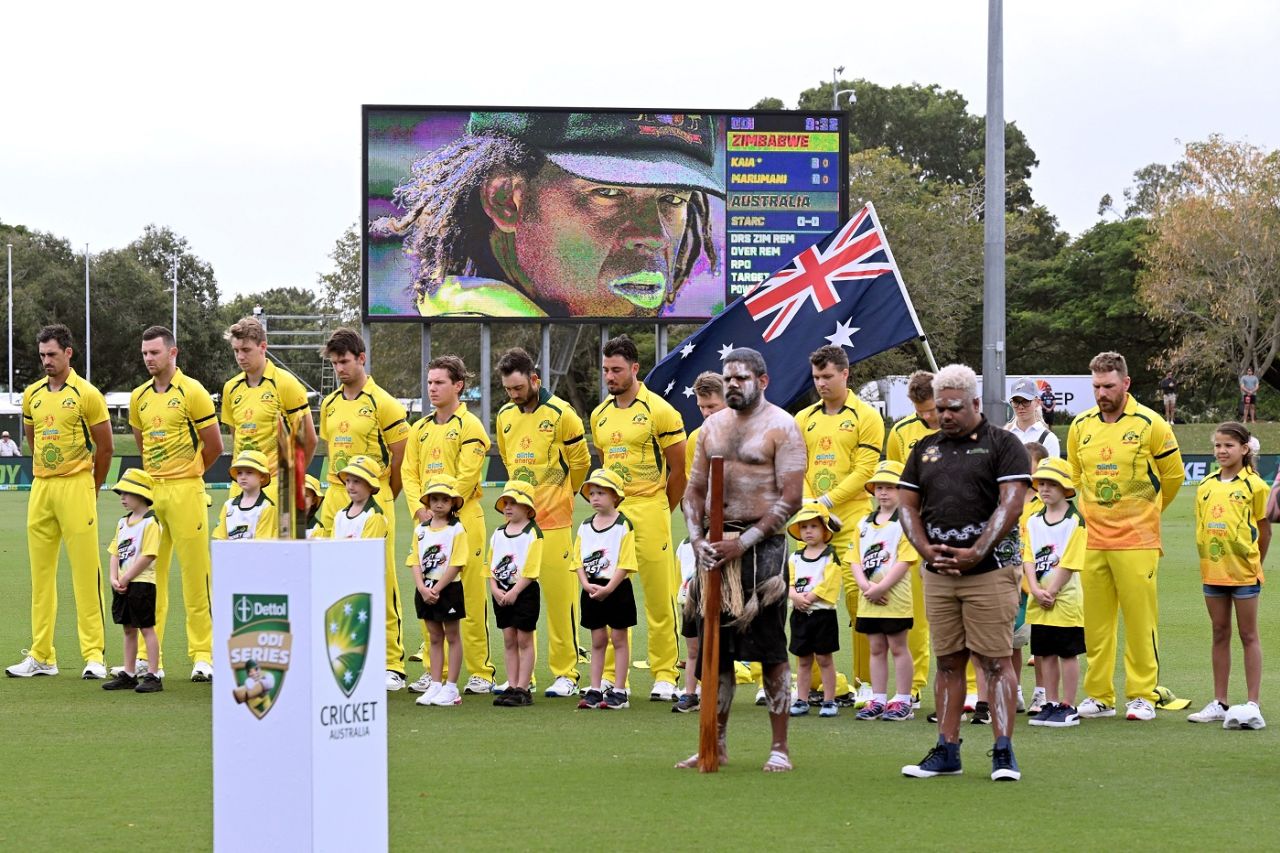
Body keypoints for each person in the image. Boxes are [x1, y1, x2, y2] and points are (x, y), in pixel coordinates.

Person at [369, 111, 725, 319]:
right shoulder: (466, 329)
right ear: (505, 201)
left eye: (673, 199)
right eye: (608, 193)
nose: (655, 235)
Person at [898, 364, 1030, 783]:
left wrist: (976, 551)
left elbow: (1011, 504)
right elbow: (906, 505)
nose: (945, 416)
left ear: (976, 403)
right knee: (948, 661)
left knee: (994, 661)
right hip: (938, 573)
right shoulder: (923, 449)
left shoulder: (1004, 444)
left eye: (954, 408)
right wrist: (923, 548)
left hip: (990, 571)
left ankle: (1003, 751)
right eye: (939, 409)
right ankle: (947, 749)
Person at [678, 347, 806, 773]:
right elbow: (694, 491)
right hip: (714, 548)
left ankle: (779, 748)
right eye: (727, 378)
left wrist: (745, 540)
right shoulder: (711, 428)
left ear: (762, 381)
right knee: (716, 648)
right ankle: (714, 744)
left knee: (770, 650)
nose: (733, 385)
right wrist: (697, 539)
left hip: (762, 548)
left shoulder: (782, 427)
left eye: (741, 378)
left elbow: (791, 498)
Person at [1068, 351, 1184, 721]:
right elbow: (1073, 476)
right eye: (1097, 386)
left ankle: (1142, 695)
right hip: (1093, 541)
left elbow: (1174, 477)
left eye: (1109, 386)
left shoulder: (1151, 424)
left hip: (1137, 541)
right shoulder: (1081, 425)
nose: (1102, 393)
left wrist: (1148, 513)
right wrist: (1084, 516)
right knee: (1096, 625)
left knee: (1139, 622)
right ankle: (1099, 695)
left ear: (1126, 384)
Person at [7, 325, 113, 680]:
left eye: (52, 354)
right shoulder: (32, 394)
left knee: (85, 573)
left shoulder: (87, 394)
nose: (46, 361)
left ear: (69, 352)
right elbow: (32, 438)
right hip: (42, 489)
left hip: (77, 486)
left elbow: (106, 447)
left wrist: (92, 487)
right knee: (41, 576)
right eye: (42, 356)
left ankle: (94, 655)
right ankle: (42, 656)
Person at [590, 334, 687, 701]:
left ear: (634, 368)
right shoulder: (599, 414)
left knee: (659, 597)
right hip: (612, 516)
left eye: (616, 370)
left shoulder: (660, 411)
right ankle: (617, 678)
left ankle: (665, 674)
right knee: (612, 595)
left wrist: (663, 507)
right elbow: (604, 465)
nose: (609, 377)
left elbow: (679, 470)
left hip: (650, 508)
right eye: (605, 370)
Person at [126, 326, 221, 682]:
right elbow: (142, 444)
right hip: (153, 494)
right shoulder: (139, 397)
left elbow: (213, 447)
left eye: (155, 352)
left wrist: (189, 472)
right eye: (145, 353)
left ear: (172, 353)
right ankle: (153, 660)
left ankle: (203, 656)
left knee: (196, 577)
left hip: (186, 492)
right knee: (149, 578)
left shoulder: (192, 391)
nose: (149, 358)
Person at [317, 328, 410, 691]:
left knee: (380, 580)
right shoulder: (328, 404)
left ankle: (392, 664)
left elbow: (401, 456)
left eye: (345, 361)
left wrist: (384, 495)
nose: (340, 368)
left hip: (375, 498)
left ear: (361, 358)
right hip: (336, 497)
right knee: (334, 581)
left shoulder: (383, 403)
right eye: (335, 362)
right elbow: (330, 451)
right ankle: (345, 656)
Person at [495, 348, 591, 698]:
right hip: (517, 529)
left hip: (553, 522)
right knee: (520, 602)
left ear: (534, 379)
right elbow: (508, 462)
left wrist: (565, 494)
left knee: (558, 598)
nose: (514, 395)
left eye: (519, 388)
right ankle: (523, 677)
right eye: (508, 389)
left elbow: (580, 464)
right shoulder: (505, 416)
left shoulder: (562, 414)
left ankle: (566, 673)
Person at [402, 355, 496, 696]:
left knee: (467, 594)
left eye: (439, 382)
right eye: (429, 382)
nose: (432, 388)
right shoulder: (420, 428)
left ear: (458, 385)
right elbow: (409, 473)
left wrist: (444, 507)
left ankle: (480, 671)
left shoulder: (470, 426)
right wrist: (420, 509)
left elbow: (467, 475)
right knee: (430, 591)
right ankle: (433, 670)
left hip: (463, 519)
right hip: (429, 523)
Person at [796, 345, 881, 705]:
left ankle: (864, 681)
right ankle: (815, 682)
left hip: (852, 520)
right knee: (806, 599)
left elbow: (866, 470)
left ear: (845, 374)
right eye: (816, 377)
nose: (821, 384)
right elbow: (796, 466)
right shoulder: (804, 418)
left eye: (827, 376)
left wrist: (827, 502)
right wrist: (808, 504)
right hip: (812, 521)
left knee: (857, 598)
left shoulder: (866, 416)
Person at [1188, 422, 1271, 729]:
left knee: (1248, 635)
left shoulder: (1255, 486)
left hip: (1244, 574)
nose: (1222, 451)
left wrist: (1254, 564)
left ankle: (1252, 703)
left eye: (1229, 446)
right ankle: (1220, 703)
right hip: (1213, 571)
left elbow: (1264, 532)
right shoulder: (1207, 484)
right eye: (1218, 446)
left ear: (1245, 449)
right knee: (1219, 633)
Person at [882, 369, 940, 705]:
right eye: (921, 411)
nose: (928, 416)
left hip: (951, 530)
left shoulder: (960, 425)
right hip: (912, 531)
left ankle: (973, 690)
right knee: (915, 614)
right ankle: (915, 686)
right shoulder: (902, 432)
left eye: (931, 409)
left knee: (956, 612)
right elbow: (893, 478)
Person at [1022, 459, 1088, 729]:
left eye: (1052, 484)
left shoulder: (1075, 521)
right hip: (1039, 600)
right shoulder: (1034, 520)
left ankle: (1068, 705)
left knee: (1067, 653)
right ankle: (1050, 702)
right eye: (1042, 484)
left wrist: (1051, 590)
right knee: (1044, 653)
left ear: (1065, 488)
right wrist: (1035, 589)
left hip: (1065, 599)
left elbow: (1070, 561)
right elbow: (1027, 556)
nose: (1045, 489)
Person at [851, 461, 919, 723]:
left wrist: (881, 587)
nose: (884, 493)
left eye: (890, 487)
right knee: (876, 647)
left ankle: (903, 699)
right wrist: (867, 587)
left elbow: (905, 560)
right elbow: (854, 559)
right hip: (869, 599)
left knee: (898, 646)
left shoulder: (905, 522)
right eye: (880, 487)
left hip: (895, 598)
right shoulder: (863, 524)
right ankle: (878, 698)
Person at [219, 316, 316, 496]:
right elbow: (236, 436)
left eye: (246, 350)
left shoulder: (287, 383)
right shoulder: (230, 388)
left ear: (263, 347)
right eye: (236, 350)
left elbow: (309, 440)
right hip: (240, 489)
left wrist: (291, 477)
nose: (240, 356)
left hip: (277, 487)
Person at [573, 468, 638, 711]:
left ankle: (619, 691)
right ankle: (595, 688)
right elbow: (577, 558)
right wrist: (584, 583)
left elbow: (626, 562)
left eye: (601, 493)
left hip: (617, 589)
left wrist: (609, 588)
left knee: (619, 638)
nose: (595, 497)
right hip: (591, 588)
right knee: (597, 639)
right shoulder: (585, 525)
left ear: (615, 496)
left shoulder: (623, 525)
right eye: (592, 493)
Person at [100, 469, 164, 694]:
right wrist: (113, 577)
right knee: (128, 628)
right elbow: (114, 551)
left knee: (146, 628)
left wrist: (126, 577)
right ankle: (128, 673)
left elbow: (148, 555)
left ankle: (153, 675)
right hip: (123, 584)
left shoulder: (150, 523)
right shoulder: (122, 523)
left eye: (127, 493)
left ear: (141, 494)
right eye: (121, 494)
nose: (123, 498)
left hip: (142, 583)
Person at [411, 475, 469, 708]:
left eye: (444, 499)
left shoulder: (457, 529)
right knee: (434, 637)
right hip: (425, 588)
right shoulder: (420, 530)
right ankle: (436, 684)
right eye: (434, 499)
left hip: (448, 588)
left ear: (452, 503)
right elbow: (414, 560)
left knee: (452, 636)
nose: (438, 504)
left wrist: (436, 588)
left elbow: (457, 562)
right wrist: (422, 588)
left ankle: (451, 687)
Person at [785, 501, 843, 719]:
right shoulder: (795, 557)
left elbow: (830, 582)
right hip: (800, 615)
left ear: (824, 530)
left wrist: (809, 597)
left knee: (825, 659)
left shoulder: (830, 555)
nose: (808, 531)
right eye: (804, 527)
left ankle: (829, 700)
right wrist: (795, 597)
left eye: (814, 526)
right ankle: (802, 699)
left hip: (823, 615)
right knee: (803, 660)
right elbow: (787, 582)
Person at [488, 480, 543, 707]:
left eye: (514, 503)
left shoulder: (533, 533)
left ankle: (523, 687)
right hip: (500, 591)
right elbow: (489, 565)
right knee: (509, 639)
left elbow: (531, 569)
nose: (508, 507)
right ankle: (511, 685)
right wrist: (495, 589)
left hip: (524, 592)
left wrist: (515, 592)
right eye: (506, 503)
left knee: (524, 639)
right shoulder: (498, 532)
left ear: (528, 508)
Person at [213, 450, 278, 541]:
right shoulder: (228, 505)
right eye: (239, 473)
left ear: (262, 476)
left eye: (249, 472)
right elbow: (220, 539)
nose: (243, 477)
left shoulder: (266, 507)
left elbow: (262, 545)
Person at [330, 456, 389, 541]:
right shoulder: (340, 515)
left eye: (356, 481)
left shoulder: (374, 516)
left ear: (370, 486)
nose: (350, 486)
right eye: (347, 481)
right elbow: (331, 547)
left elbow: (367, 551)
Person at [673, 535, 700, 713]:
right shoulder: (684, 544)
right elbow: (679, 576)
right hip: (690, 604)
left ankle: (711, 692)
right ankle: (691, 694)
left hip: (715, 604)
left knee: (713, 650)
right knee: (693, 650)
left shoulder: (722, 540)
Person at [1006, 377, 1061, 458]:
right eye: (1016, 402)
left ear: (1037, 402)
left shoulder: (1049, 439)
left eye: (1026, 401)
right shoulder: (1004, 436)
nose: (1020, 406)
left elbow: (1050, 470)